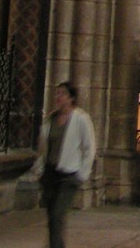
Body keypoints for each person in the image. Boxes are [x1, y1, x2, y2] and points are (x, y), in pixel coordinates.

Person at [37, 82, 96, 248]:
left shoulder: (81, 119)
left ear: (71, 98)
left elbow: (89, 148)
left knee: (57, 214)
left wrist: (82, 174)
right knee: (52, 217)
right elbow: (43, 146)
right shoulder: (51, 119)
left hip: (69, 175)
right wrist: (40, 169)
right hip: (50, 173)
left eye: (62, 94)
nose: (58, 97)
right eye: (57, 93)